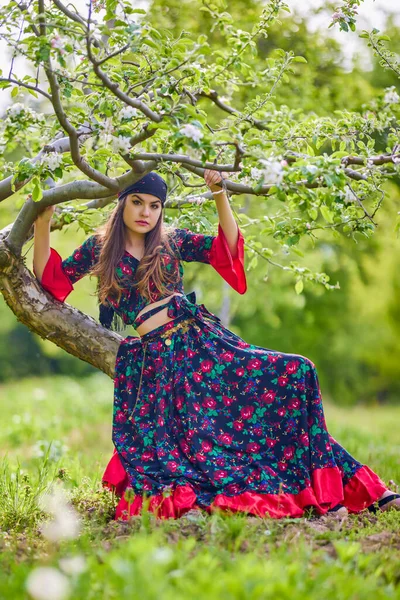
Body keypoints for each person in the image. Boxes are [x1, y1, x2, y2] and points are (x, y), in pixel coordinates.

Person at [33, 169, 400, 520]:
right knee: (232, 432)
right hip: (163, 357)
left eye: (154, 206)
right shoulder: (99, 248)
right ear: (122, 201)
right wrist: (42, 223)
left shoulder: (170, 241)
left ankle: (360, 489)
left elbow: (225, 249)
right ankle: (348, 492)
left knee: (297, 372)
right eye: (138, 202)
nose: (146, 212)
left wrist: (219, 195)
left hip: (203, 342)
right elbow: (51, 281)